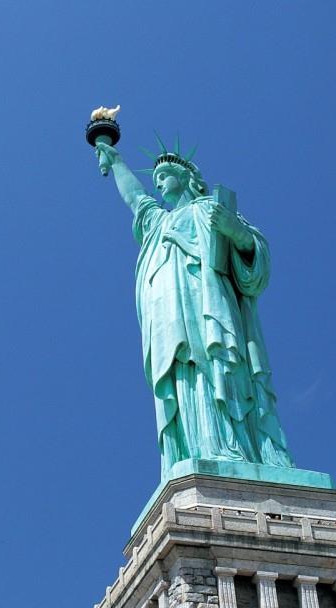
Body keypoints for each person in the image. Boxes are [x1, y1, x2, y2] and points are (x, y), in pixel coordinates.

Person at [95, 140, 294, 476]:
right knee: (182, 376)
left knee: (220, 367)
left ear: (186, 177)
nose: (158, 183)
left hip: (210, 306)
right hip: (168, 314)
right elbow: (136, 198)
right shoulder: (158, 223)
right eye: (155, 179)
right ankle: (195, 448)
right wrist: (115, 161)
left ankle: (236, 449)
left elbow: (254, 266)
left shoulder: (210, 210)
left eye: (164, 175)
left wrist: (236, 232)